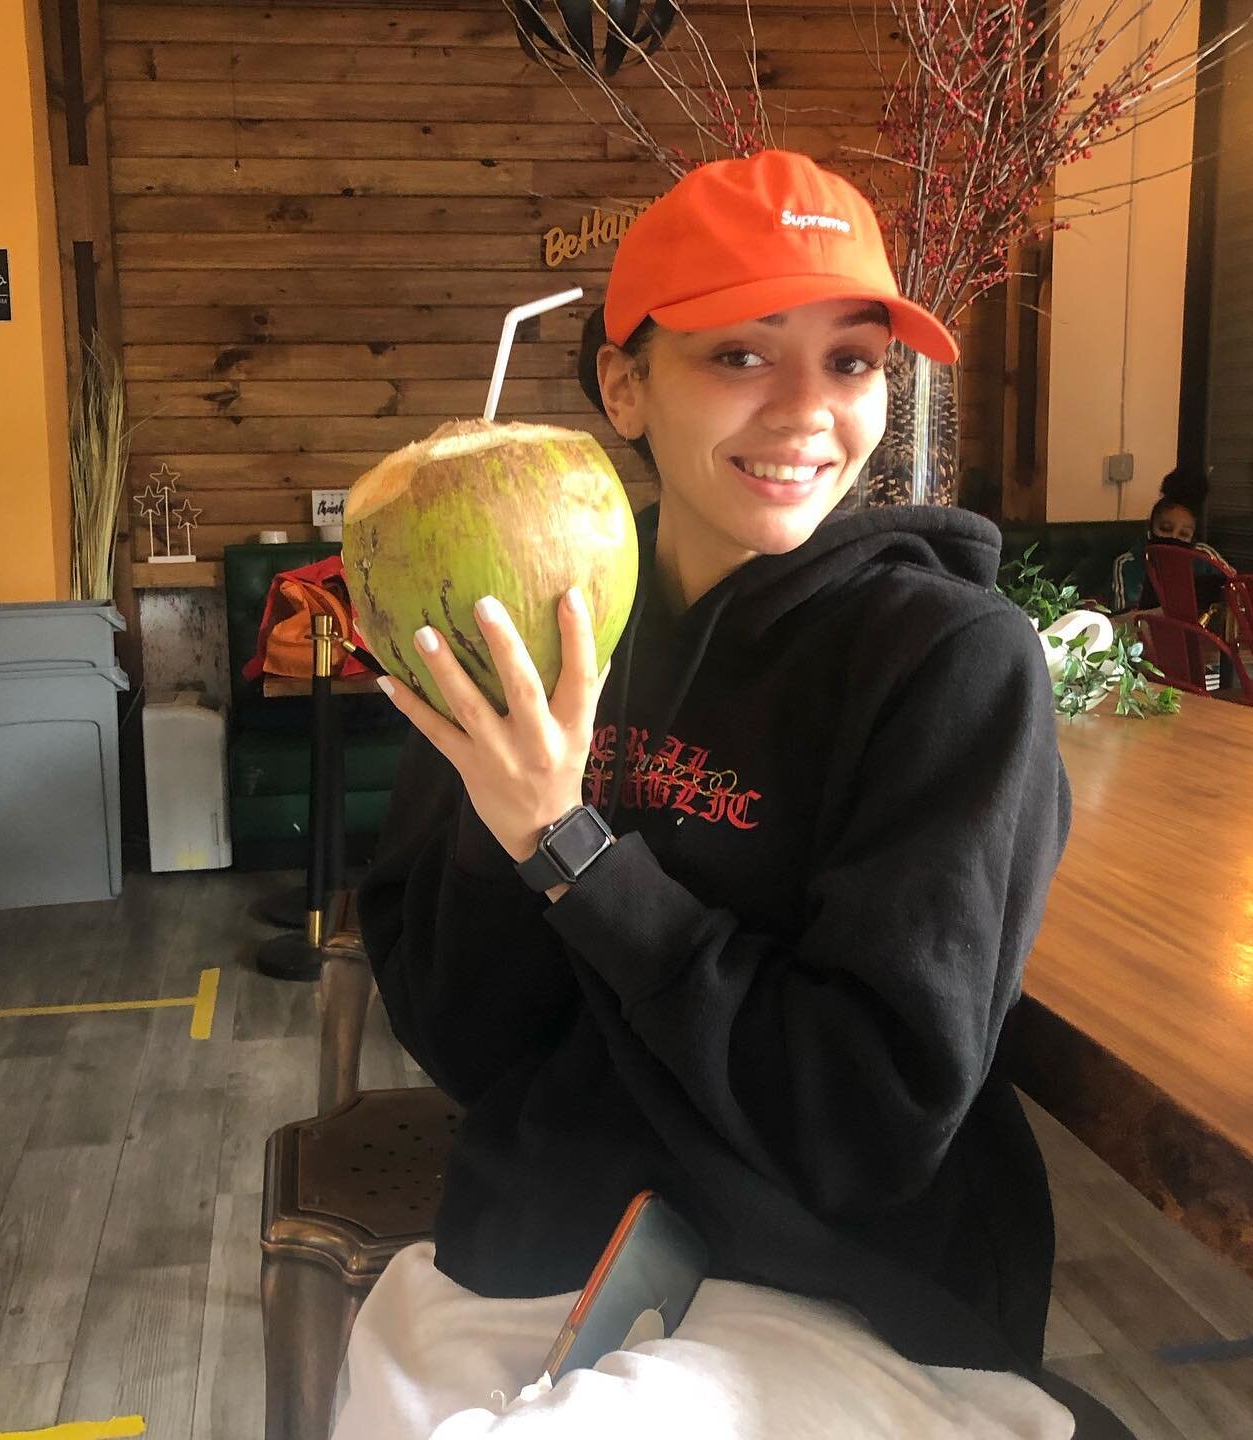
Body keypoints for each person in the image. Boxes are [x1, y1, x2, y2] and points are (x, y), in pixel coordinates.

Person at [340, 151, 1104, 1438]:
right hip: (550, 1240)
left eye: (852, 361)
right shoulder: (532, 625)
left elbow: (866, 1124)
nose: (808, 410)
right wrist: (501, 837)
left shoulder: (951, 664)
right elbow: (470, 1048)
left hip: (837, 1282)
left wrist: (573, 850)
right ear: (622, 386)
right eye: (740, 356)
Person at [1111, 466, 1230, 615]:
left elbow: (1237, 591)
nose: (1174, 538)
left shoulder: (1205, 556)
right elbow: (1126, 621)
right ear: (1151, 527)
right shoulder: (1129, 563)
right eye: (1166, 529)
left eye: (1184, 534)